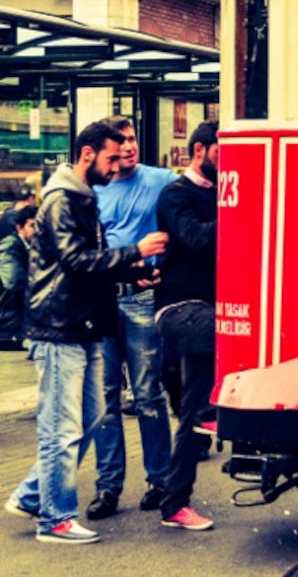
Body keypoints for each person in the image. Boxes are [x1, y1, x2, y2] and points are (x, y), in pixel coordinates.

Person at [5, 121, 166, 544]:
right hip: (59, 328)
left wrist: (132, 270)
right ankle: (54, 519)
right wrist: (136, 252)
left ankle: (31, 493)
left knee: (91, 417)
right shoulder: (63, 199)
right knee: (62, 427)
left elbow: (84, 261)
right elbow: (76, 260)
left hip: (84, 324)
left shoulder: (81, 195)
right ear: (88, 154)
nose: (117, 166)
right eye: (111, 157)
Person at [87, 116, 176, 520]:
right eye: (120, 141)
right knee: (104, 399)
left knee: (147, 395)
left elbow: (183, 220)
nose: (129, 146)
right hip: (104, 299)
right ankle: (108, 488)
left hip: (142, 297)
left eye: (133, 138)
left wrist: (170, 269)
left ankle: (160, 480)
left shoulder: (160, 180)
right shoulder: (96, 190)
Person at [152, 121, 220, 531]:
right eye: (220, 151)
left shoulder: (220, 192)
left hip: (210, 309)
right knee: (225, 332)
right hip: (178, 308)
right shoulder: (175, 195)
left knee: (193, 416)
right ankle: (217, 411)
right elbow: (195, 238)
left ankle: (175, 504)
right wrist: (238, 212)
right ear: (199, 150)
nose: (227, 160)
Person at [1, 205, 37, 349]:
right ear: (19, 228)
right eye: (32, 226)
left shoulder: (35, 246)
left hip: (24, 322)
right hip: (10, 323)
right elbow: (15, 282)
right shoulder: (10, 248)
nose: (37, 230)